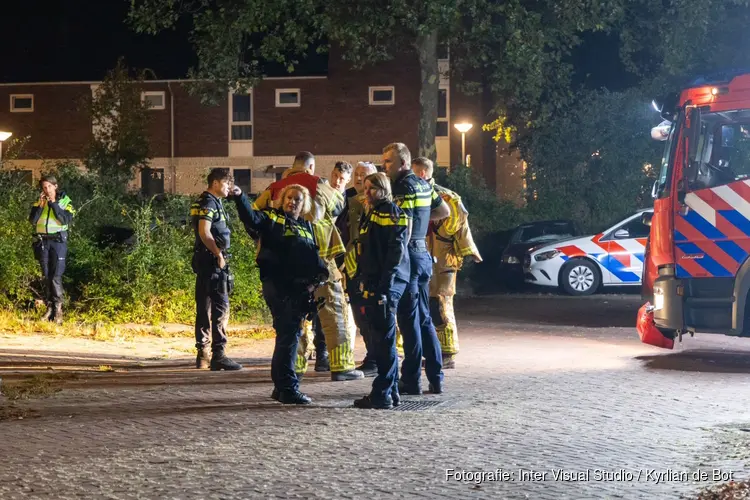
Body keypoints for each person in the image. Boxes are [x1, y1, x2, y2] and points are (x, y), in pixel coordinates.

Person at [254, 152, 363, 381]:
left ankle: (295, 366)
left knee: (296, 316)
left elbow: (256, 216)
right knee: (333, 311)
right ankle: (341, 366)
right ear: (310, 167)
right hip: (321, 259)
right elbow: (338, 204)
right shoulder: (317, 184)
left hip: (287, 265)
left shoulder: (274, 188)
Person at [232, 183, 329, 405]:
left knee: (289, 335)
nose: (291, 202)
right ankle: (287, 388)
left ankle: (281, 386)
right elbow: (251, 218)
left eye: (297, 199)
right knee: (288, 335)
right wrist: (240, 197)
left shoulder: (307, 226)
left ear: (304, 205)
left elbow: (313, 256)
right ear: (282, 199)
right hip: (280, 285)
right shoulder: (271, 219)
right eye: (288, 197)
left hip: (302, 288)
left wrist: (318, 278)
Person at [383, 143, 450, 395]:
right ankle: (436, 375)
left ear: (402, 163)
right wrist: (424, 223)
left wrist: (396, 261)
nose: (384, 166)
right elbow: (443, 211)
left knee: (409, 320)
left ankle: (411, 379)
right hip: (423, 255)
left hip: (409, 256)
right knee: (424, 318)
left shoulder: (401, 188)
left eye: (388, 162)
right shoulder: (424, 184)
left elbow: (405, 227)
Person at [412, 157, 483, 368]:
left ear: (423, 173)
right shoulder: (415, 194)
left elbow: (456, 226)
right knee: (423, 306)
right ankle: (432, 350)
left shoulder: (448, 197)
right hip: (424, 257)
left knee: (440, 305)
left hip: (443, 261)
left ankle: (447, 353)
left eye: (413, 174)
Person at [353, 173, 408, 409]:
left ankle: (382, 394)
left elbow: (394, 253)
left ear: (382, 189)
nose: (366, 192)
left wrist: (384, 287)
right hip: (378, 283)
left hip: (387, 284)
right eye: (365, 188)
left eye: (371, 188)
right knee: (382, 338)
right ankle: (391, 391)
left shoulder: (390, 212)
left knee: (383, 340)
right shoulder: (374, 212)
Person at [189, 168, 243, 371]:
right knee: (220, 307)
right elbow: (204, 231)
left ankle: (202, 354)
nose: (229, 187)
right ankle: (218, 354)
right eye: (226, 183)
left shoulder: (203, 201)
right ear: (215, 183)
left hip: (203, 261)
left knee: (204, 306)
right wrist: (218, 254)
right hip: (213, 262)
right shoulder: (210, 203)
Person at [342, 161, 379, 376]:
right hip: (351, 264)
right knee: (358, 313)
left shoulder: (375, 203)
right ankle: (372, 353)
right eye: (356, 174)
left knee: (368, 312)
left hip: (367, 265)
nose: (358, 178)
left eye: (363, 175)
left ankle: (375, 356)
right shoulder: (347, 198)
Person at [29, 175, 75, 324]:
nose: (47, 189)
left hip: (58, 242)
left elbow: (64, 220)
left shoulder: (65, 202)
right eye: (44, 187)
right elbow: (32, 220)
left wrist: (54, 204)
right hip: (43, 241)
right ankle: (49, 309)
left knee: (56, 276)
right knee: (46, 276)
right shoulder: (40, 202)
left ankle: (58, 310)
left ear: (55, 186)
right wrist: (40, 206)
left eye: (49, 186)